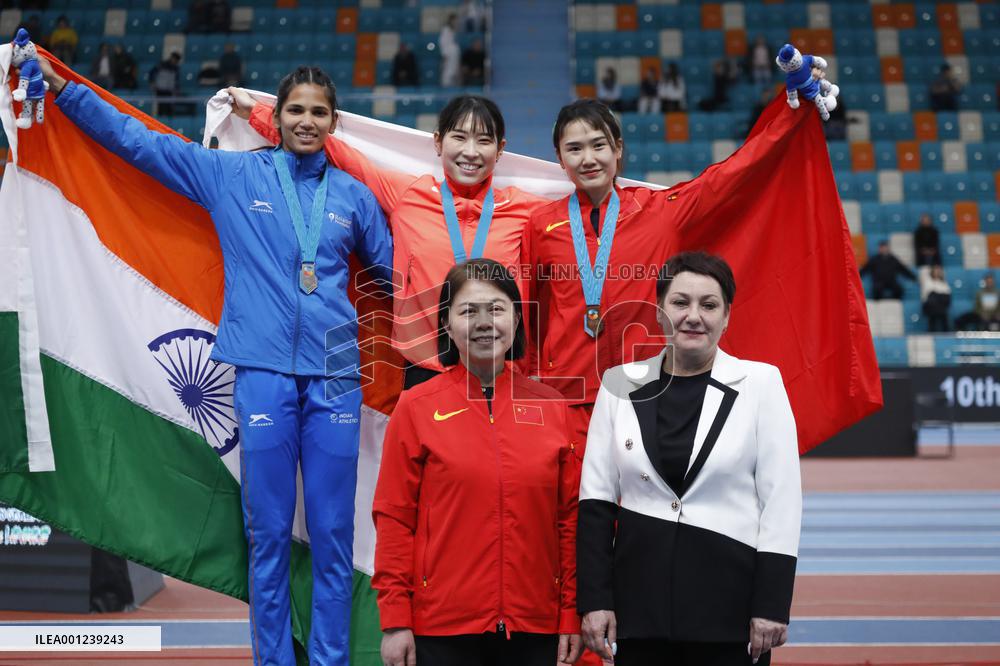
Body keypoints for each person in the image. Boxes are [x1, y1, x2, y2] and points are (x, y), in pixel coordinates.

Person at [22, 52, 394, 665]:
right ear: (278, 117)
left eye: (319, 112)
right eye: (295, 110)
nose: (306, 121)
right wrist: (68, 93)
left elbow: (395, 276)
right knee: (267, 534)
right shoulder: (232, 176)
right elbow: (140, 143)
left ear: (334, 122)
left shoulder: (355, 197)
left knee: (333, 535)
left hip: (335, 378)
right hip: (262, 373)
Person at [523, 97, 814, 480]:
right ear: (560, 159)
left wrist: (793, 113)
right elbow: (530, 311)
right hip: (570, 395)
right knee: (578, 505)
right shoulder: (540, 225)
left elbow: (733, 173)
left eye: (598, 145)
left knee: (648, 499)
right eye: (574, 149)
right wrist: (528, 382)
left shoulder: (661, 211)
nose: (588, 159)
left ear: (618, 149)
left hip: (645, 390)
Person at [577, 251, 801, 666]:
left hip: (730, 612)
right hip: (639, 610)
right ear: (659, 311)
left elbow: (781, 501)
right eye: (680, 302)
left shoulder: (761, 383)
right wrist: (595, 600)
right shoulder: (619, 384)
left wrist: (772, 603)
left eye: (709, 305)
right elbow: (596, 502)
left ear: (726, 316)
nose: (693, 316)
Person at [237, 92, 550, 389]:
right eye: (459, 137)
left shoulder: (526, 211)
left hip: (500, 371)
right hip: (426, 370)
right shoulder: (408, 195)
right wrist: (256, 113)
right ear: (438, 142)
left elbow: (574, 214)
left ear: (500, 149)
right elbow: (334, 153)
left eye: (483, 140)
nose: (471, 151)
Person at [374, 258, 581, 666]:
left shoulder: (553, 407)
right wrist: (395, 620)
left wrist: (570, 612)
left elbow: (569, 520)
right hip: (442, 629)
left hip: (535, 628)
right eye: (469, 311)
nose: (484, 322)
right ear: (447, 325)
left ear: (517, 320)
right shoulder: (416, 407)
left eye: (497, 309)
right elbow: (395, 518)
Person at [920, 264, 952, 332]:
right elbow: (926, 296)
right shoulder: (928, 282)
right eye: (936, 270)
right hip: (931, 306)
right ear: (932, 271)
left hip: (941, 305)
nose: (937, 272)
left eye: (939, 271)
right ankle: (932, 329)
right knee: (934, 301)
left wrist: (938, 294)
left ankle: (946, 331)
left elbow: (947, 295)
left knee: (942, 305)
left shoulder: (944, 283)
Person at [439, 13, 461, 87]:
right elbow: (442, 43)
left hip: (454, 53)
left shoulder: (454, 31)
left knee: (454, 72)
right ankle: (445, 88)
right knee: (447, 72)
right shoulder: (446, 30)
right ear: (451, 20)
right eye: (455, 20)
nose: (456, 22)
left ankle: (453, 88)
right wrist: (444, 55)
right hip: (448, 54)